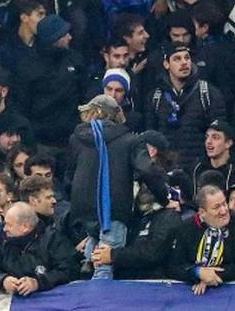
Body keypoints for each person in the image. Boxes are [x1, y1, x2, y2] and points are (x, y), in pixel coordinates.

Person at [66, 94, 169, 279]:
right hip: (112, 210)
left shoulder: (77, 139)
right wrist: (164, 198)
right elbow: (148, 171)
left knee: (92, 258)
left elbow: (69, 176)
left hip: (82, 211)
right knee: (106, 264)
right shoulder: (130, 140)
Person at [144, 42, 227, 169]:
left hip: (199, 170)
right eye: (177, 59)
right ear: (166, 64)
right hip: (165, 170)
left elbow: (218, 135)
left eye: (187, 58)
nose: (184, 63)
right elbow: (150, 138)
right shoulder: (155, 97)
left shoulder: (209, 93)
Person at [168, 186, 235, 294]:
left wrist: (211, 276)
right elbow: (173, 266)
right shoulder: (186, 227)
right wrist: (198, 272)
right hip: (192, 293)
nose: (224, 211)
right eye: (216, 207)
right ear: (202, 212)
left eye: (224, 203)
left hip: (233, 291)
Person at [0, 201, 77, 296]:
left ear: (25, 226)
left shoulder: (53, 239)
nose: (5, 229)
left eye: (9, 225)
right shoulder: (1, 240)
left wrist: (38, 282)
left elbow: (69, 270)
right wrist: (3, 280)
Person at [192, 120, 235, 192]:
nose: (208, 141)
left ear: (228, 143)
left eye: (215, 137)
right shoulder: (198, 168)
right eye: (207, 137)